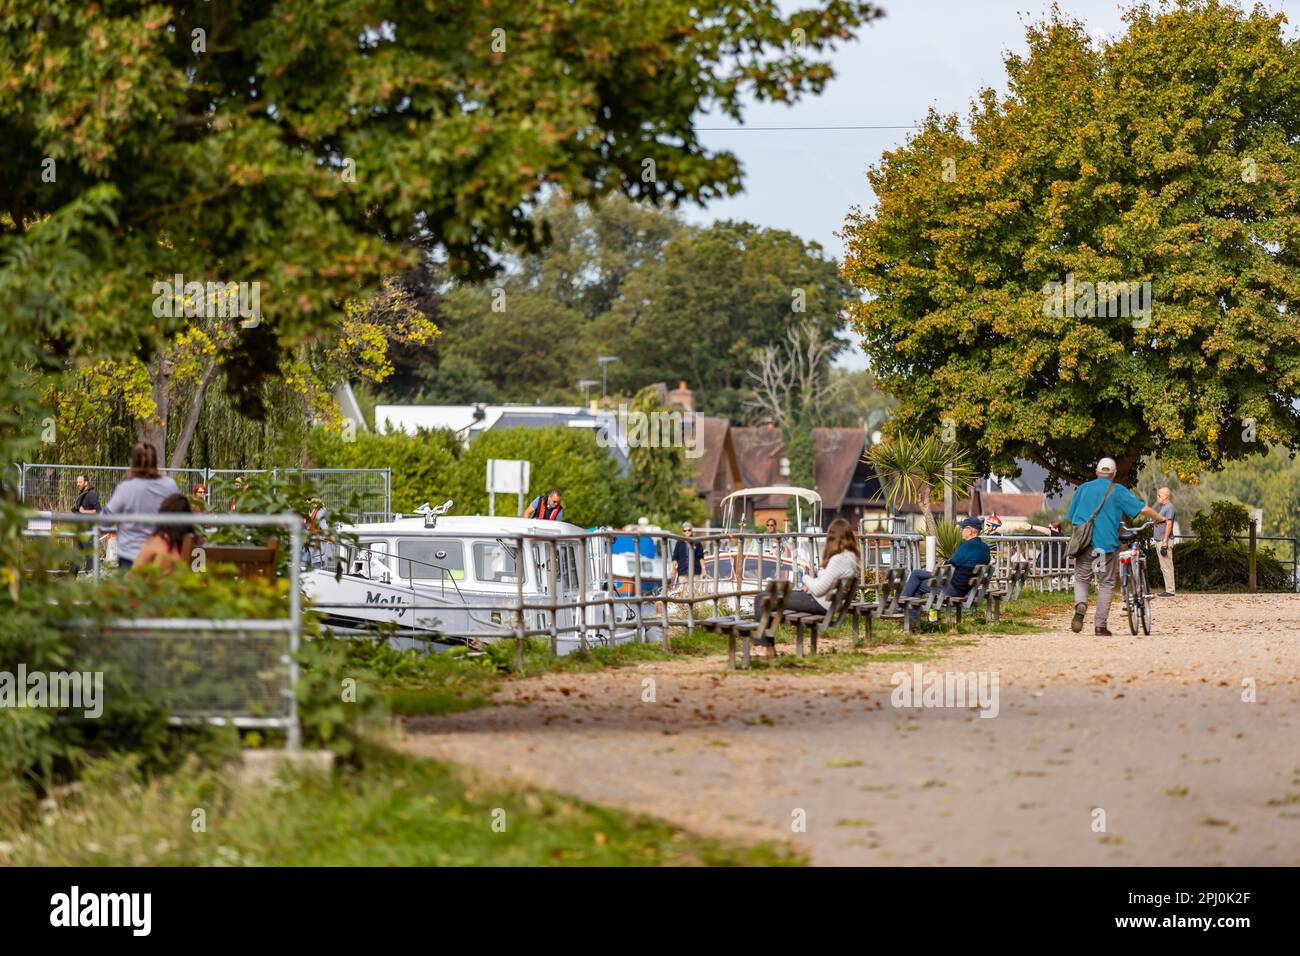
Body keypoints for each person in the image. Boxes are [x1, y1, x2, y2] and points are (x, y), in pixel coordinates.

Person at [1067, 457, 1164, 636]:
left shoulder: (1083, 489)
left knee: (1082, 578)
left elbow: (1071, 516)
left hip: (1084, 543)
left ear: (1097, 472)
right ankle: (1100, 626)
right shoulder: (1117, 490)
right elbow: (1142, 510)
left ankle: (1081, 603)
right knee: (1106, 583)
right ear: (1114, 474)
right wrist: (1159, 518)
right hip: (1105, 545)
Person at [751, 517, 859, 659]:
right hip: (825, 603)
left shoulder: (838, 559)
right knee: (768, 600)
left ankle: (764, 647)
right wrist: (815, 582)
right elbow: (825, 582)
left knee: (762, 598)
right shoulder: (851, 557)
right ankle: (768, 647)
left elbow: (819, 589)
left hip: (818, 603)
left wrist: (806, 579)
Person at [899, 516, 992, 628]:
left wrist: (944, 563)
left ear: (970, 530)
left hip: (952, 588)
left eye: (963, 528)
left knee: (916, 577)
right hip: (964, 587)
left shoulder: (967, 545)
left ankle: (904, 609)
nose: (961, 531)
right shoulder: (985, 548)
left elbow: (952, 562)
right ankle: (910, 617)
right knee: (917, 577)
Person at [103, 443, 181, 571]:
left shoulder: (126, 488)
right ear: (155, 461)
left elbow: (105, 519)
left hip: (131, 556)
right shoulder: (169, 486)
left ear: (132, 462)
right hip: (161, 554)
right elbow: (180, 514)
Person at [131, 493, 200, 573]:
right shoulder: (196, 543)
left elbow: (133, 574)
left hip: (162, 584)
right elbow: (201, 576)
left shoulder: (157, 541)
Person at [73, 473, 101, 572]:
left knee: (90, 558)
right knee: (76, 555)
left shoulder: (92, 494)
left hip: (88, 529)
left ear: (86, 482)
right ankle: (70, 579)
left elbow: (99, 511)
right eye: (77, 482)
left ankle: (91, 579)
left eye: (80, 482)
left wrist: (84, 512)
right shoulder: (82, 494)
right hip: (80, 529)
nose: (78, 484)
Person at [1155, 486, 1178, 597]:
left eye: (1159, 495)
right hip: (1160, 540)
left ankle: (1170, 590)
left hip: (1165, 541)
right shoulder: (1164, 507)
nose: (1158, 497)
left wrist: (1165, 540)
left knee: (1167, 565)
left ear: (1165, 496)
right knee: (1164, 566)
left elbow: (1169, 524)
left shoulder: (1169, 507)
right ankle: (1168, 589)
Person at [670, 521, 704, 587]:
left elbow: (701, 556)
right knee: (683, 593)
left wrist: (703, 569)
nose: (687, 532)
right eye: (685, 531)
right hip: (683, 571)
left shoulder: (697, 542)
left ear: (692, 531)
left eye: (689, 530)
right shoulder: (679, 542)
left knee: (695, 593)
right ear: (683, 532)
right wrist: (673, 570)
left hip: (695, 572)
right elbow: (675, 557)